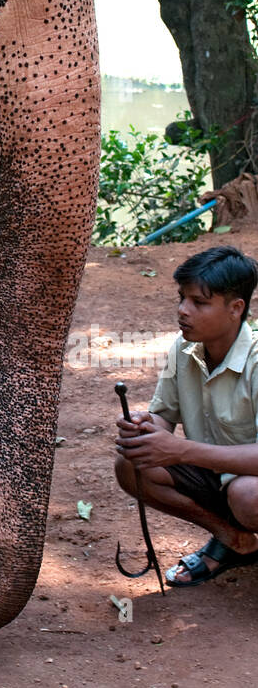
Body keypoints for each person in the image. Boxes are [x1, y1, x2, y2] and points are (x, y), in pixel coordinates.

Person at [115, 245, 258, 586]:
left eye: (199, 302)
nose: (183, 310)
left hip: (248, 484)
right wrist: (144, 428)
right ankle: (234, 540)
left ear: (236, 308)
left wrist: (180, 451)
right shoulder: (183, 348)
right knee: (132, 465)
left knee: (248, 496)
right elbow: (163, 415)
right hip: (217, 474)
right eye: (182, 298)